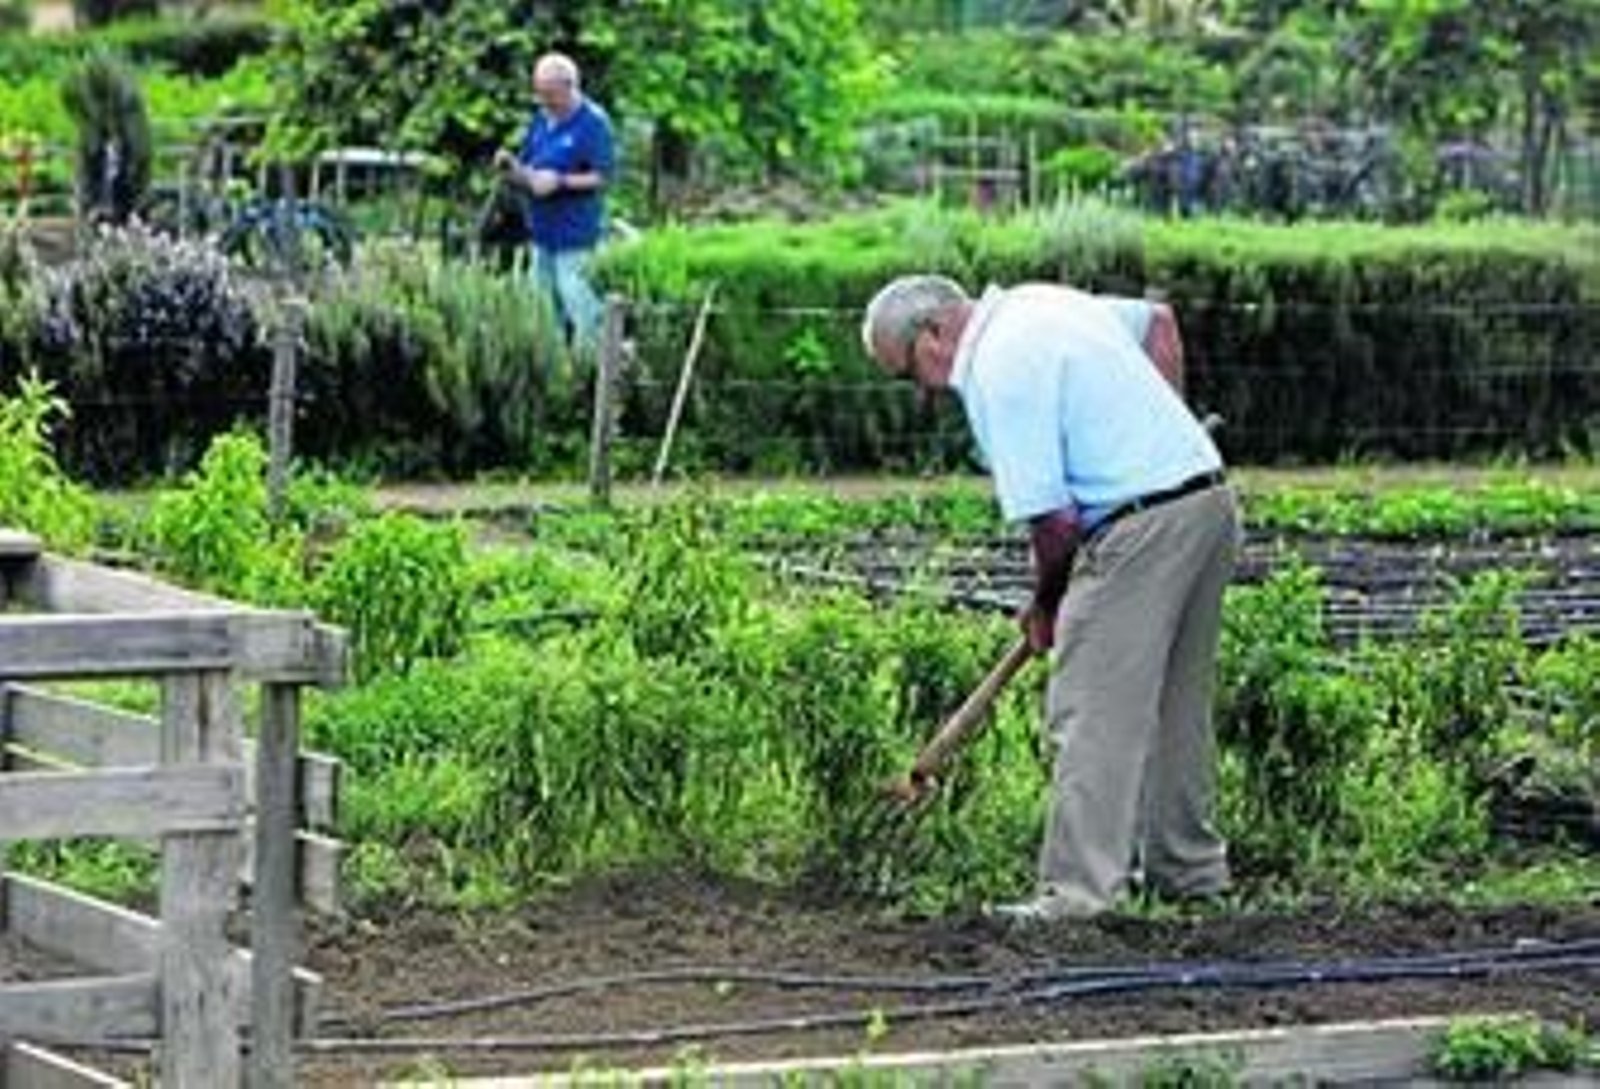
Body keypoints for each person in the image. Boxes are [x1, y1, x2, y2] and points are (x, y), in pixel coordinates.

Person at [860, 275, 1240, 923]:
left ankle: (1078, 895)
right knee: (1175, 705)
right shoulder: (1042, 303)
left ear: (932, 334)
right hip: (1205, 503)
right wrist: (1156, 441)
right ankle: (1189, 873)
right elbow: (1159, 324)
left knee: (1090, 711)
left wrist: (1046, 604)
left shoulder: (995, 369)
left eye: (909, 374)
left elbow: (1054, 521)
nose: (923, 391)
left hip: (1136, 531)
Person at [494, 51, 614, 354]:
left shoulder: (594, 123)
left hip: (576, 238)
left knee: (583, 312)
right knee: (543, 314)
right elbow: (529, 167)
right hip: (541, 234)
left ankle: (589, 371)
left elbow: (603, 178)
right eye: (540, 92)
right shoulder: (541, 119)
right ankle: (553, 370)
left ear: (570, 86)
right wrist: (512, 169)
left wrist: (560, 181)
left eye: (550, 93)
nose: (543, 100)